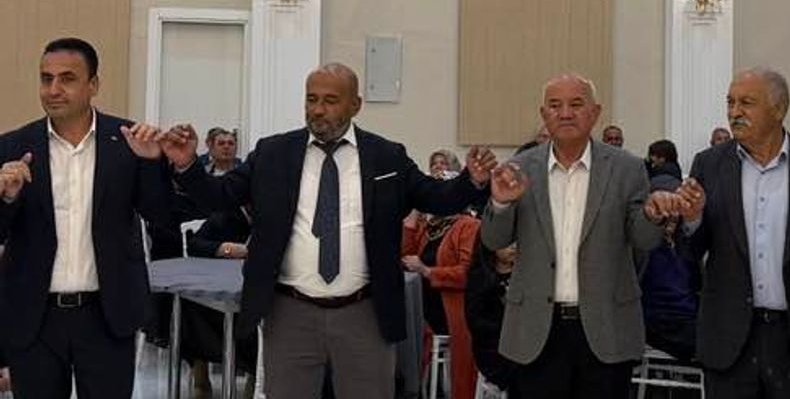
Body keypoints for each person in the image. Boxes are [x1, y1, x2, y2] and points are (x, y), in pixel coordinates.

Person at [160, 63, 497, 399]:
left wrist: (472, 180)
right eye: (311, 99)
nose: (318, 109)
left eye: (330, 100)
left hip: (365, 313)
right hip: (291, 311)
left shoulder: (386, 156)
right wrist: (187, 165)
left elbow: (435, 197)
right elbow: (220, 195)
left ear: (355, 105)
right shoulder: (273, 153)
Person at [657, 67, 790, 398]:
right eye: (730, 102)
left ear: (779, 109)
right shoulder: (709, 165)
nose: (734, 112)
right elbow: (690, 251)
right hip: (729, 340)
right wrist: (693, 218)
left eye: (746, 103)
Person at [0, 37, 175, 399]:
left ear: (93, 84)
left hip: (107, 316)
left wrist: (152, 163)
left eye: (67, 78)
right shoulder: (12, 147)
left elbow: (161, 216)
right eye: (46, 78)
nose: (53, 89)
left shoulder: (128, 141)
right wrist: (7, 198)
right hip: (34, 318)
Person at [481, 73, 666, 398]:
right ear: (544, 114)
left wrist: (652, 216)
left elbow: (645, 241)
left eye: (576, 104)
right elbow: (494, 241)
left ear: (595, 112)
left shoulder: (627, 168)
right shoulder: (520, 168)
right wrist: (500, 203)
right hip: (536, 330)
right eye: (555, 106)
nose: (565, 113)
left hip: (606, 329)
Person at [182, 204, 257, 399]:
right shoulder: (225, 216)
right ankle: (201, 381)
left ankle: (254, 383)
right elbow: (194, 245)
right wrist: (228, 249)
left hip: (253, 299)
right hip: (218, 297)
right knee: (190, 308)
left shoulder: (274, 218)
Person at [405, 213, 481, 399]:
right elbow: (405, 258)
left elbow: (467, 274)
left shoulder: (468, 226)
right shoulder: (429, 227)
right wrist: (411, 222)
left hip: (453, 312)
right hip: (424, 309)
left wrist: (428, 271)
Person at [639, 173, 700, 363]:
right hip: (658, 321)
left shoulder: (685, 242)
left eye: (677, 207)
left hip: (688, 318)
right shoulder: (645, 247)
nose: (672, 215)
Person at [466, 237, 519, 392]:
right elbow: (475, 321)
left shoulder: (525, 276)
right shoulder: (479, 278)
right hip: (493, 348)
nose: (513, 247)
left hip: (522, 343)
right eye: (508, 243)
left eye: (516, 243)